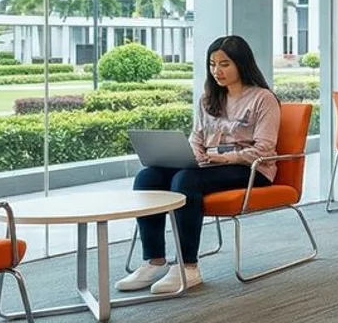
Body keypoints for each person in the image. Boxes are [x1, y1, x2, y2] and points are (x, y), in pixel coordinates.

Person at [117, 36, 281, 294]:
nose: (217, 71)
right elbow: (197, 137)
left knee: (184, 181)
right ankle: (154, 261)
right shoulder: (208, 99)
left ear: (241, 63)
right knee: (147, 177)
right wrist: (194, 156)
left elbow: (264, 149)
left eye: (225, 64)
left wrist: (222, 158)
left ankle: (188, 266)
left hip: (250, 169)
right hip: (209, 166)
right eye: (212, 64)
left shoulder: (263, 99)